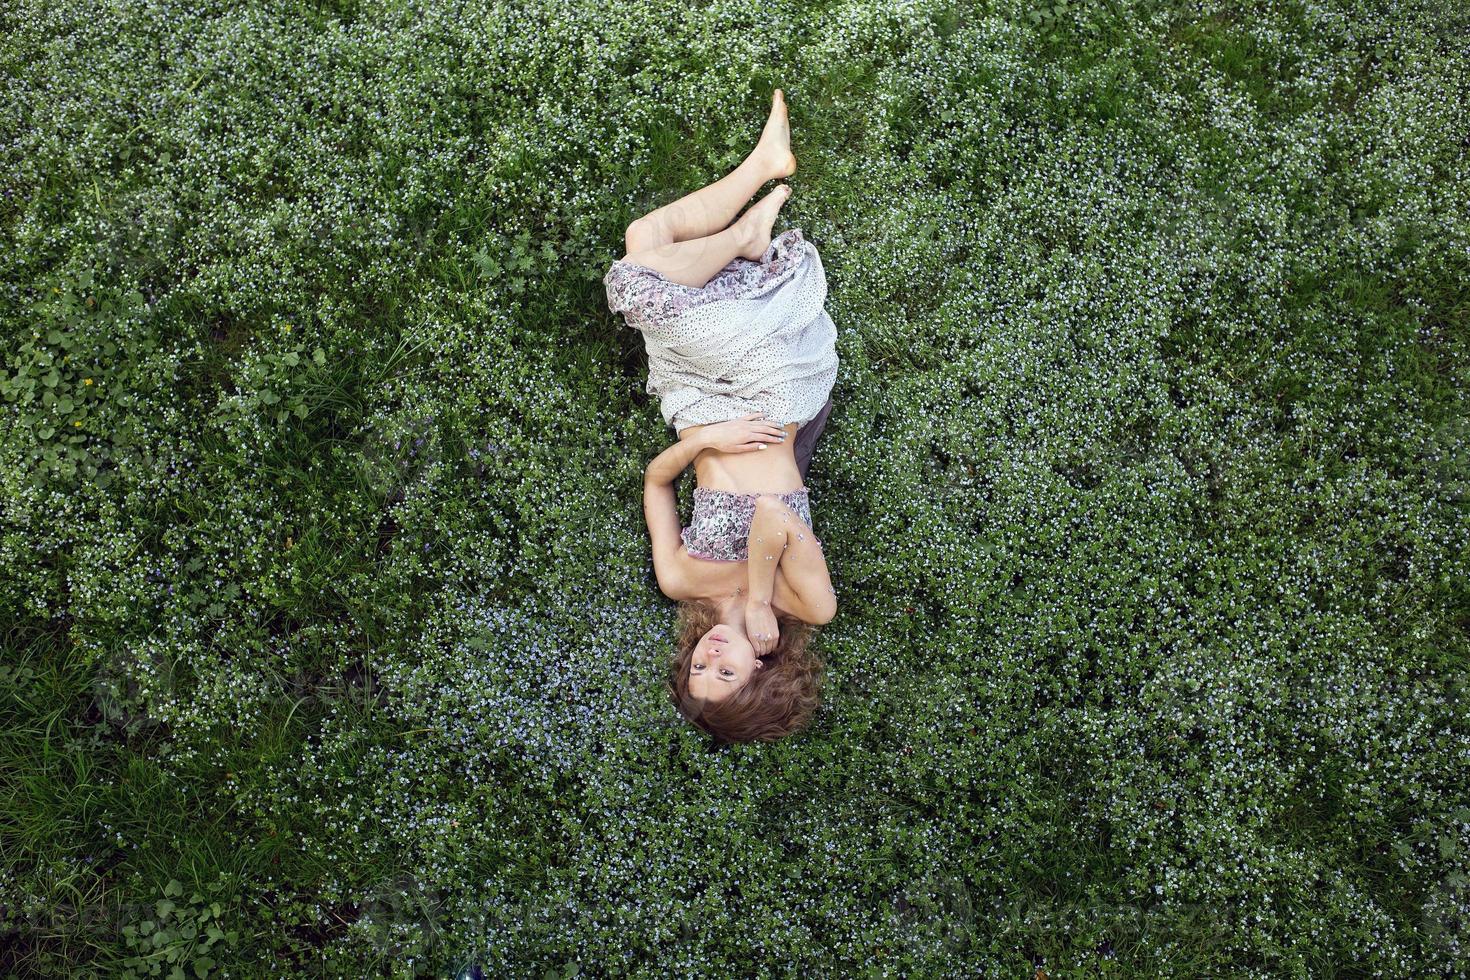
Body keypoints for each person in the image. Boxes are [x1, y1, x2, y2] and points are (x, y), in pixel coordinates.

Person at [603, 88, 838, 743]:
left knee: (644, 244)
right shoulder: (808, 605)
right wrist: (760, 599)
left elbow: (655, 482)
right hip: (771, 390)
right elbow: (772, 518)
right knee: (635, 278)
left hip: (696, 404)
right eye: (723, 675)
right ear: (763, 676)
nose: (708, 658)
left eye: (697, 670)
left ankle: (760, 182)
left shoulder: (683, 583)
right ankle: (747, 220)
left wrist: (705, 439)